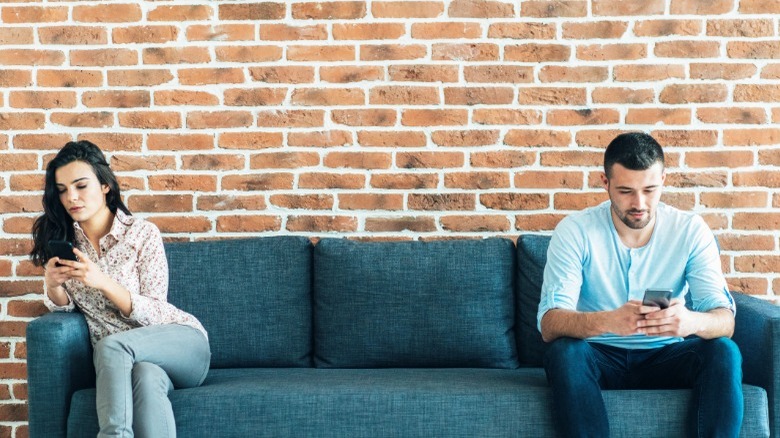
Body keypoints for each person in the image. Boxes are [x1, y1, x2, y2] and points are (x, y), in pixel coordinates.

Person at [537, 132, 743, 437]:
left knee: (724, 351)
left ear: (663, 179)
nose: (639, 203)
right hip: (598, 355)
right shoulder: (575, 231)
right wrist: (606, 321)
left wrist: (689, 321)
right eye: (625, 191)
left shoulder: (690, 231)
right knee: (565, 352)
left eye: (650, 189)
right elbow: (549, 324)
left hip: (667, 356)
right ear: (605, 184)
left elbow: (724, 321)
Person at [30, 140, 210, 438]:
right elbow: (65, 308)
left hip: (181, 344)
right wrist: (52, 285)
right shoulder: (66, 243)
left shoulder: (142, 233)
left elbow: (155, 309)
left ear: (105, 186)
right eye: (62, 190)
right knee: (145, 377)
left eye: (80, 186)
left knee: (112, 345)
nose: (71, 197)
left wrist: (102, 281)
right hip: (139, 363)